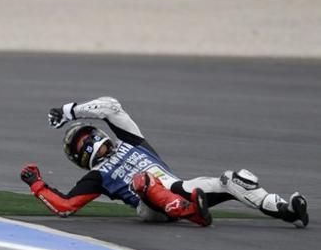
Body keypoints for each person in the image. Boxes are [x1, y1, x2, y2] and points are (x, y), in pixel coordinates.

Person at [20, 97, 309, 228]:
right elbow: (65, 207)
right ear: (78, 159)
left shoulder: (131, 140)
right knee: (142, 182)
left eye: (87, 136)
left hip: (182, 190)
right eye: (80, 146)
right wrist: (36, 183)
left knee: (233, 179)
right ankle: (193, 213)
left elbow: (111, 106)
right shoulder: (96, 176)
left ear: (97, 132)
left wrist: (70, 111)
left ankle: (286, 211)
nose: (87, 144)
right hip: (150, 210)